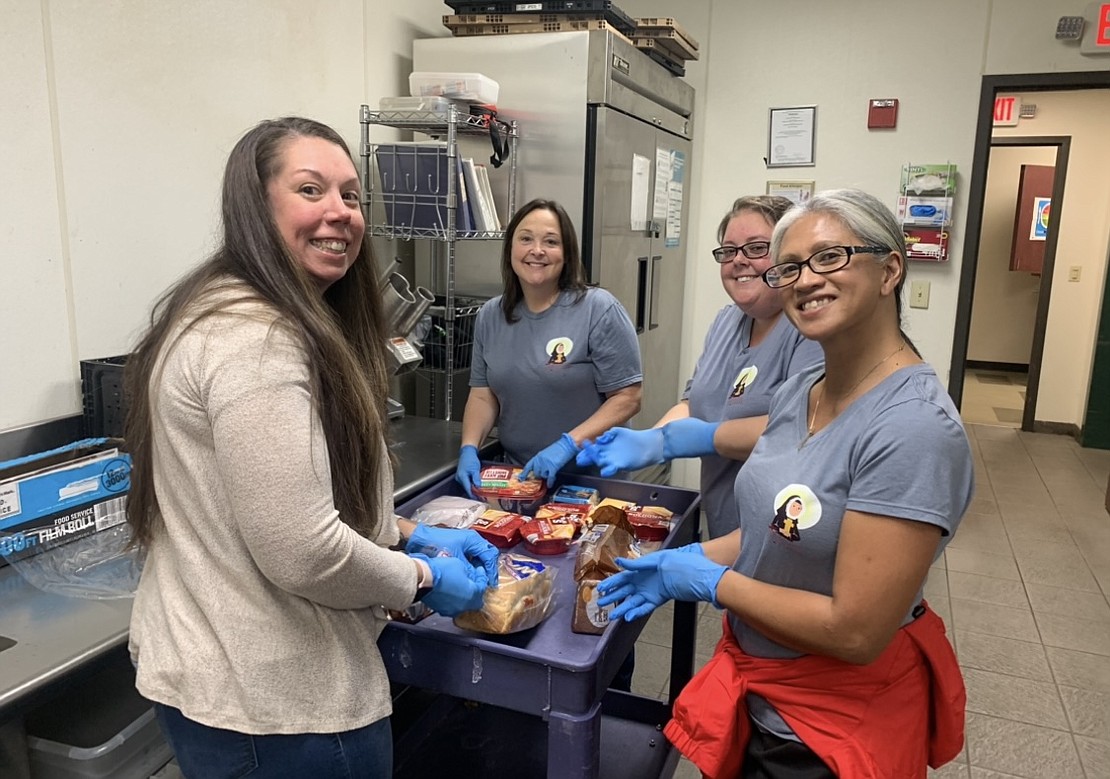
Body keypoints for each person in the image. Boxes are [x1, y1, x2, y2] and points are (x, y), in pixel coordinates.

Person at [123, 117, 500, 779]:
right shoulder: (256, 341)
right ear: (255, 205)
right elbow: (303, 548)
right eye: (310, 189)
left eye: (352, 196)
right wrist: (422, 577)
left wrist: (405, 532)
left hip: (227, 683)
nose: (339, 212)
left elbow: (275, 502)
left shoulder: (227, 308)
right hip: (276, 704)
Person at [596, 189, 974, 778]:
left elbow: (855, 631)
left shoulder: (912, 428)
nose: (803, 280)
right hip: (761, 691)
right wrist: (683, 560)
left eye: (829, 258)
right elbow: (776, 534)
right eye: (790, 267)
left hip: (830, 725)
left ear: (890, 269)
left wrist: (713, 582)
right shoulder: (804, 391)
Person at [576, 196, 824, 539]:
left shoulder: (809, 328)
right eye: (728, 250)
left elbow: (803, 427)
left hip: (781, 533)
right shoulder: (727, 321)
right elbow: (694, 403)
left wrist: (691, 440)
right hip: (724, 518)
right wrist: (651, 439)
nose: (738, 260)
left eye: (756, 248)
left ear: (788, 256)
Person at [454, 198, 643, 493]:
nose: (537, 250)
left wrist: (568, 445)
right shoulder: (491, 315)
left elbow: (628, 398)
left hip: (592, 483)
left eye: (551, 241)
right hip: (520, 480)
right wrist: (469, 447)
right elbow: (482, 395)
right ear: (510, 249)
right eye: (525, 239)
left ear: (566, 253)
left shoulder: (598, 309)